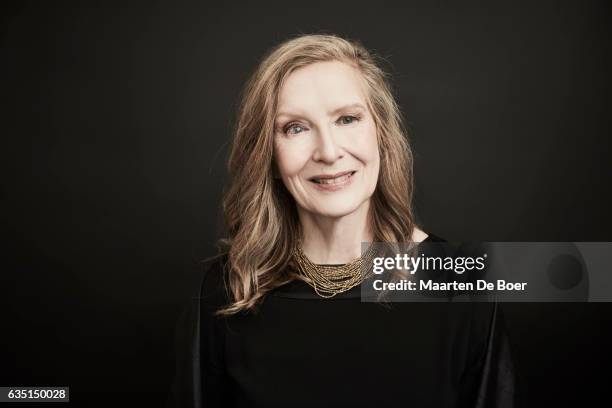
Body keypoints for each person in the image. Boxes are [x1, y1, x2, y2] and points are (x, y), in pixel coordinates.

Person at [167, 34, 517, 407]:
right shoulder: (225, 291)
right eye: (295, 128)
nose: (329, 152)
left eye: (347, 119)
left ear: (382, 133)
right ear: (268, 153)